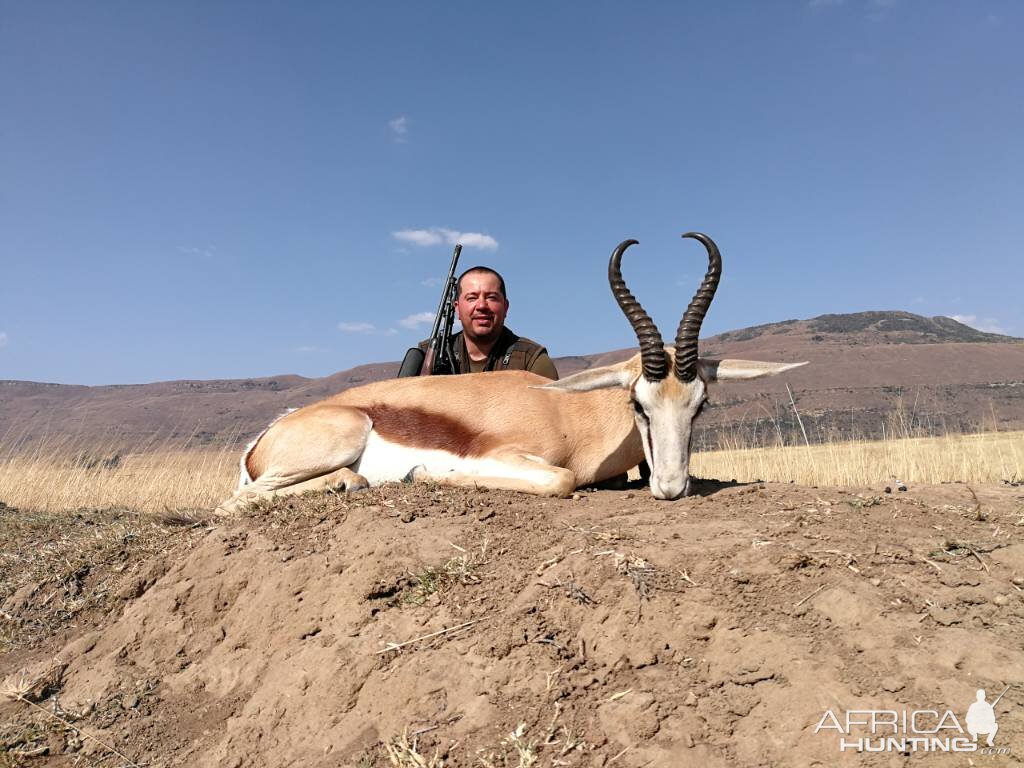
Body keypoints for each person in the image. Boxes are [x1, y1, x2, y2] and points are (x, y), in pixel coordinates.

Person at [418, 266, 559, 379]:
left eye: (491, 297)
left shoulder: (530, 359)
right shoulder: (424, 355)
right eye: (472, 298)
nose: (482, 306)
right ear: (457, 309)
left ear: (505, 307)